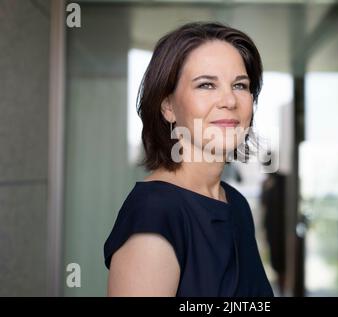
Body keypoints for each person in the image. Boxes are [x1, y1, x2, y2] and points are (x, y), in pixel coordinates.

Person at [103, 22, 274, 297]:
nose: (229, 100)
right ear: (168, 106)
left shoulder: (236, 205)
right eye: (206, 84)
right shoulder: (155, 215)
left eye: (240, 85)